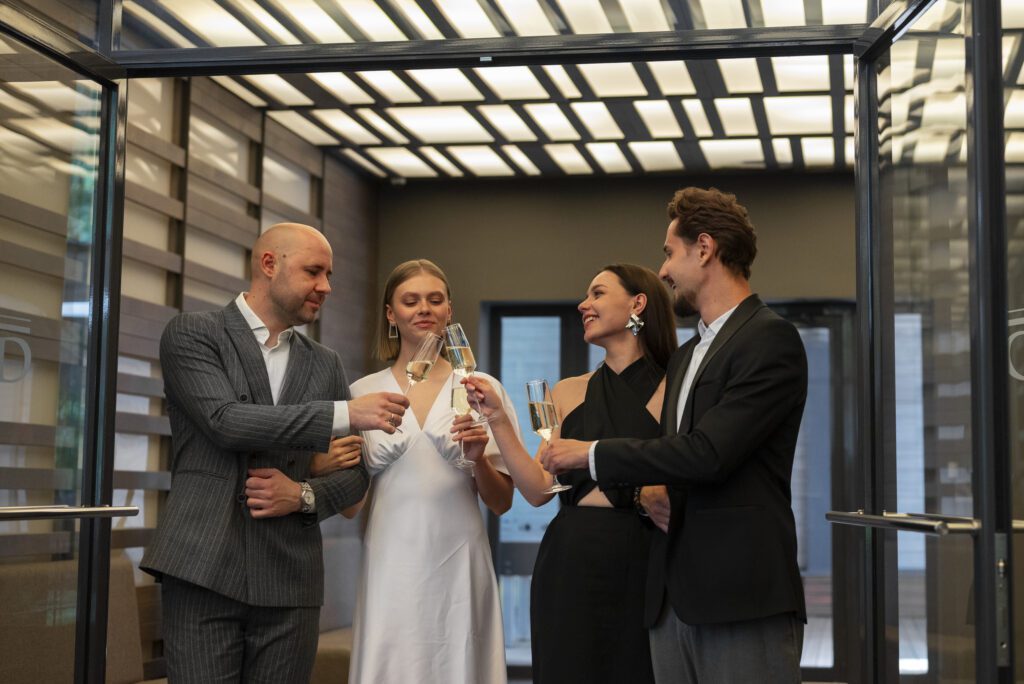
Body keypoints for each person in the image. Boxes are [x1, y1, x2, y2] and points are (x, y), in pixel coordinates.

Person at [541, 188, 809, 684]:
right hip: (668, 601)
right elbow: (671, 459)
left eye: (669, 253)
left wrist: (590, 454)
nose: (663, 271)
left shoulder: (769, 338)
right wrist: (648, 492)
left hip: (739, 595)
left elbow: (709, 453)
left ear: (704, 248)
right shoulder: (685, 357)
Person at [140, 223, 410, 683]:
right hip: (203, 566)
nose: (326, 287)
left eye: (329, 275)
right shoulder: (193, 334)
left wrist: (303, 494)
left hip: (291, 581)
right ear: (269, 264)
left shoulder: (325, 362)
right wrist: (343, 413)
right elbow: (225, 422)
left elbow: (353, 474)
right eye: (313, 271)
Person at [463, 263, 677, 684]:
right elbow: (538, 490)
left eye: (597, 293)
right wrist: (498, 421)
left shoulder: (676, 387)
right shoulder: (566, 390)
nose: (584, 304)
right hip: (569, 558)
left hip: (645, 555)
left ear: (637, 304)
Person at [341, 259, 516, 684]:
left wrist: (477, 459)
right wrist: (351, 465)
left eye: (435, 300)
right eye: (411, 300)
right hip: (390, 559)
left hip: (459, 557)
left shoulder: (480, 389)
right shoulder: (362, 392)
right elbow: (348, 508)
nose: (424, 308)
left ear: (449, 310)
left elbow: (502, 502)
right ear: (390, 314)